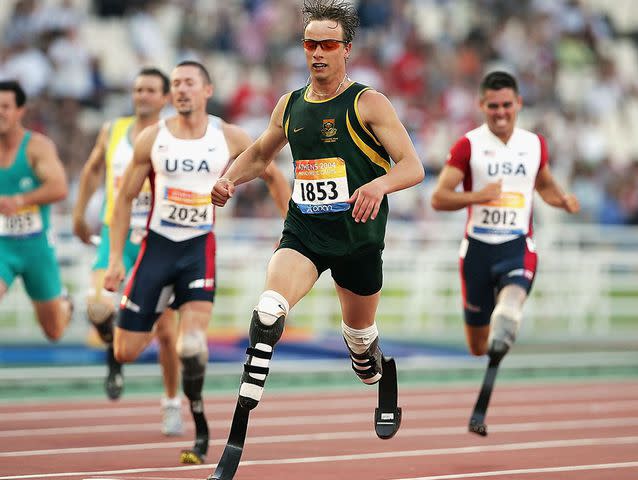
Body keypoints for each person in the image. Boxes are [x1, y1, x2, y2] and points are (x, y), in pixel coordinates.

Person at [211, 0, 424, 428]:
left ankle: (375, 364)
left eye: (328, 44)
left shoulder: (368, 103)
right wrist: (229, 180)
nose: (318, 53)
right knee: (270, 309)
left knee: (362, 348)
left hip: (358, 240)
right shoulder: (290, 105)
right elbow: (258, 154)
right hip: (304, 232)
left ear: (347, 49)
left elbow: (412, 167)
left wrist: (379, 184)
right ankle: (242, 415)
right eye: (310, 44)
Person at [103, 60, 290, 464]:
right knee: (124, 351)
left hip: (197, 250)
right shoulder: (153, 138)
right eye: (176, 84)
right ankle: (153, 318)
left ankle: (202, 430)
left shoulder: (229, 135)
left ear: (207, 90)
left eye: (190, 83)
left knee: (192, 343)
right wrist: (116, 257)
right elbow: (123, 200)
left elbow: (272, 174)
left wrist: (291, 230)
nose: (182, 89)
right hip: (156, 247)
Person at [431, 71, 580, 432]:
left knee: (510, 304)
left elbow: (542, 184)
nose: (500, 113)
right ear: (482, 105)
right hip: (478, 251)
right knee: (478, 347)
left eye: (507, 105)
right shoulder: (468, 145)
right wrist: (476, 196)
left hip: (517, 245)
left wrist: (560, 199)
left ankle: (510, 311)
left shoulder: (534, 144)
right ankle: (500, 319)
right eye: (493, 106)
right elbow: (439, 197)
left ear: (518, 104)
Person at [72, 68, 183, 436]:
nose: (142, 96)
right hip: (115, 233)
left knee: (167, 332)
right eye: (138, 89)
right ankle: (115, 353)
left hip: (157, 237)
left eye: (151, 90)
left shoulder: (174, 134)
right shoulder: (112, 130)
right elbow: (90, 170)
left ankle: (171, 404)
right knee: (98, 306)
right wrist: (79, 212)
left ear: (165, 97)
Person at [0, 80, 72, 341]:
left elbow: (59, 187)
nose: (0, 112)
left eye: (6, 107)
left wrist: (18, 200)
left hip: (36, 247)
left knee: (54, 331)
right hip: (2, 247)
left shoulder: (36, 147)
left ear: (20, 111)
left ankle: (65, 304)